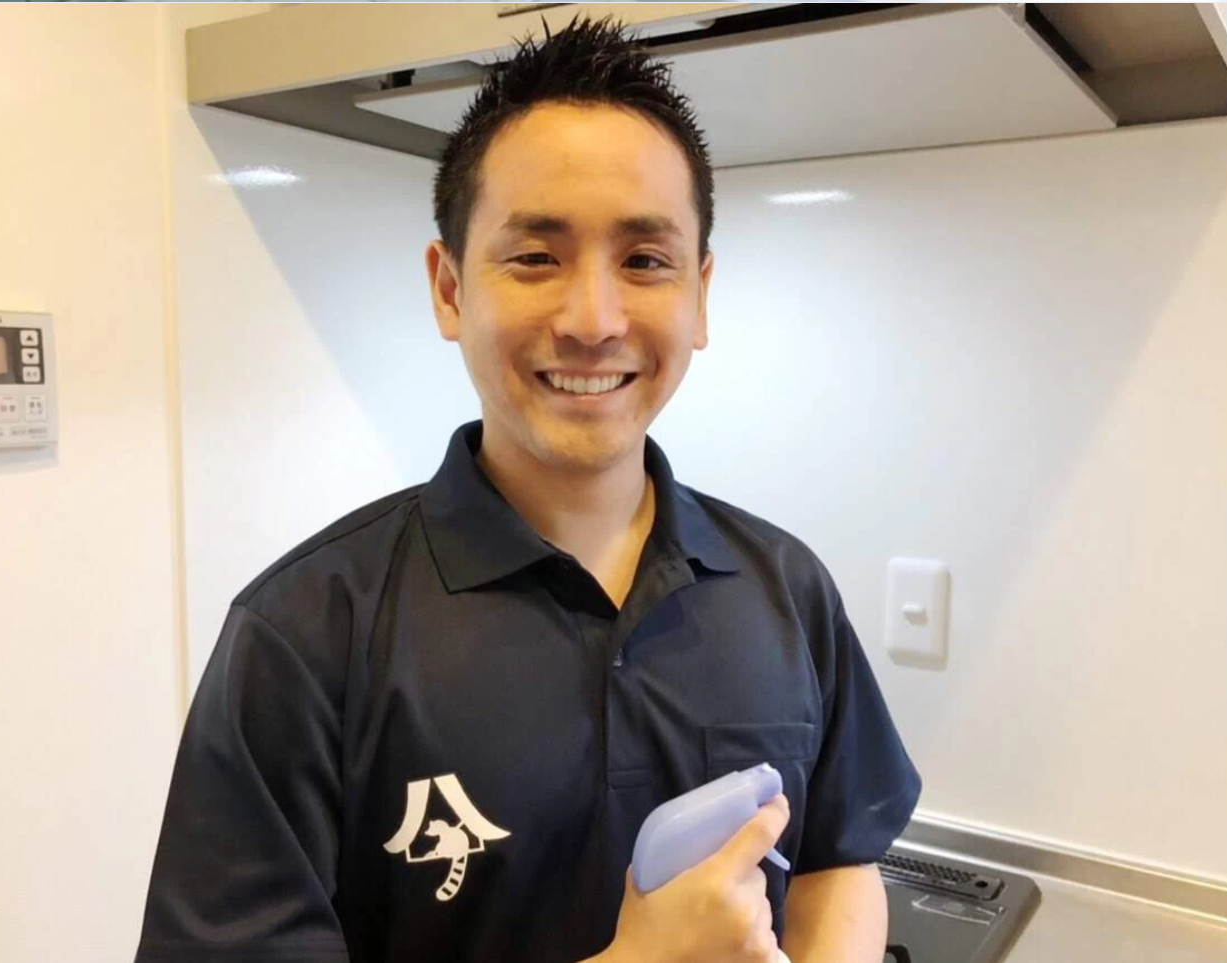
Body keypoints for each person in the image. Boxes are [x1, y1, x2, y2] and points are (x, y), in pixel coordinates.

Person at [135, 16, 920, 963]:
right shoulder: (305, 637)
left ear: (700, 294)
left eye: (645, 261)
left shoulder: (787, 589)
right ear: (449, 288)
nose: (593, 319)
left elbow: (839, 858)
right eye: (537, 257)